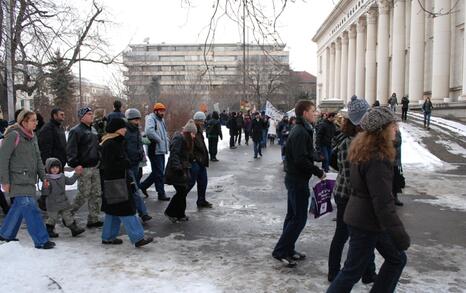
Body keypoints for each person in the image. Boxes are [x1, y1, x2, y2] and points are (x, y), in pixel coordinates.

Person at [327, 106, 410, 293]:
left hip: (366, 219)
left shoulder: (363, 148)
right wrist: (399, 234)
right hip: (366, 221)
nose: (396, 129)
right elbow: (383, 202)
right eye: (393, 125)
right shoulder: (377, 157)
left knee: (396, 259)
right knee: (352, 271)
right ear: (382, 130)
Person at [327, 97, 377, 284]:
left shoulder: (348, 138)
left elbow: (334, 162)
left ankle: (366, 272)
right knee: (349, 235)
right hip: (349, 195)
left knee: (358, 236)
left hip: (346, 193)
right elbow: (354, 174)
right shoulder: (353, 142)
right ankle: (337, 272)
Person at [272, 100, 326, 267]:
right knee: (299, 219)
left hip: (296, 179)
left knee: (292, 216)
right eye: (313, 111)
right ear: (304, 113)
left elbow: (304, 153)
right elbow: (300, 159)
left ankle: (288, 249)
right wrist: (318, 172)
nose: (315, 113)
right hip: (297, 180)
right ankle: (280, 250)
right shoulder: (301, 131)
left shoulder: (302, 129)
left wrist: (316, 156)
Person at [0, 109, 55, 249]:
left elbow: (38, 159)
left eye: (36, 120)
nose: (36, 123)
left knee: (19, 208)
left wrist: (44, 177)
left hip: (29, 181)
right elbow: (3, 159)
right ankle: (42, 240)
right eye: (32, 120)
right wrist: (4, 181)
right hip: (17, 180)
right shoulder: (13, 135)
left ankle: (5, 234)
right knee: (31, 209)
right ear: (24, 122)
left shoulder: (33, 136)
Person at [100, 117, 153, 247]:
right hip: (117, 182)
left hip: (114, 182)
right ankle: (138, 238)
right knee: (126, 210)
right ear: (116, 129)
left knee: (113, 211)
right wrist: (125, 163)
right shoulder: (111, 144)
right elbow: (109, 165)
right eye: (123, 127)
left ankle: (108, 237)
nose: (125, 130)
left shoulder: (113, 142)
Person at [67, 106, 103, 228]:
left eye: (92, 114)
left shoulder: (93, 130)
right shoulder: (75, 131)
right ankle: (68, 215)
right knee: (83, 194)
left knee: (96, 194)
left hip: (95, 166)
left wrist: (100, 158)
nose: (91, 116)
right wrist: (75, 164)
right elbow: (71, 150)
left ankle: (93, 219)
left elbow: (97, 146)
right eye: (89, 114)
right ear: (82, 117)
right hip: (84, 167)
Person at [42, 158, 86, 238]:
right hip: (52, 203)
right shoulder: (47, 179)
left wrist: (76, 174)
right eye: (52, 168)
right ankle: (49, 230)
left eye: (57, 167)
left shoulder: (62, 176)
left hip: (63, 202)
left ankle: (74, 229)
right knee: (53, 218)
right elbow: (45, 192)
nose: (55, 169)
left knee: (67, 216)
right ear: (48, 169)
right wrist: (45, 187)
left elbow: (70, 181)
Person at [164, 120, 196, 222]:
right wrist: (177, 168)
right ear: (188, 132)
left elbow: (185, 155)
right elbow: (174, 154)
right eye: (192, 133)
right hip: (176, 170)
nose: (194, 136)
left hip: (183, 169)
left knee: (182, 192)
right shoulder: (179, 138)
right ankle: (170, 212)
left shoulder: (186, 140)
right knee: (181, 192)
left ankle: (180, 214)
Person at [124, 108, 152, 222]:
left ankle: (133, 209)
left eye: (138, 119)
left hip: (136, 163)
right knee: (134, 189)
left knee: (132, 189)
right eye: (135, 119)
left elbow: (139, 144)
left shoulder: (136, 130)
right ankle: (143, 213)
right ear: (129, 119)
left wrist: (141, 156)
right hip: (128, 164)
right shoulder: (125, 131)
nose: (138, 122)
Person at [37, 108, 67, 211]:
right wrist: (48, 163)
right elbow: (45, 147)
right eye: (61, 114)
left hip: (60, 161)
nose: (63, 116)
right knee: (51, 184)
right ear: (54, 115)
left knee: (57, 184)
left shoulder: (59, 127)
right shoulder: (48, 128)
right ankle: (43, 201)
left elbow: (62, 144)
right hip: (52, 163)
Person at [140, 103, 171, 201]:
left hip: (160, 150)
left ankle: (143, 186)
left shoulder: (161, 120)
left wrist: (167, 142)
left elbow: (164, 133)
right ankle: (161, 193)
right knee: (159, 173)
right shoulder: (151, 119)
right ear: (156, 111)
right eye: (160, 111)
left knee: (157, 172)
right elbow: (149, 131)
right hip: (154, 150)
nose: (162, 113)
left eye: (163, 111)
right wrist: (159, 140)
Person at [187, 111, 213, 208]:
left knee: (203, 182)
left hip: (201, 162)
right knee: (190, 183)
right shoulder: (192, 130)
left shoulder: (199, 130)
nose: (203, 123)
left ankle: (201, 200)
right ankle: (179, 200)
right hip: (196, 162)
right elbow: (189, 147)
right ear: (197, 121)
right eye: (202, 121)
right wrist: (194, 159)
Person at [393, 129, 404, 206]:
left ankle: (394, 197)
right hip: (387, 160)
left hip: (395, 161)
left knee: (395, 179)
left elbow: (398, 142)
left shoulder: (396, 131)